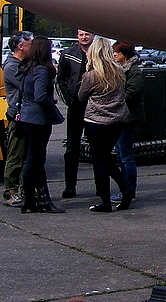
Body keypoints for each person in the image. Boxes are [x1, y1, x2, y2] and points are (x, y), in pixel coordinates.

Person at [78, 37, 131, 212]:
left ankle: (105, 200)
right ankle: (126, 189)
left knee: (99, 161)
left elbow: (81, 96)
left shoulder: (91, 75)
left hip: (96, 122)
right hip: (117, 121)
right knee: (107, 158)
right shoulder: (119, 71)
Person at [15, 35, 66, 214]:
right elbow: (41, 97)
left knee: (35, 159)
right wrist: (55, 112)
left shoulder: (27, 68)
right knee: (34, 160)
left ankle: (38, 198)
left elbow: (23, 94)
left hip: (27, 117)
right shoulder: (42, 70)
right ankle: (30, 199)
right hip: (38, 120)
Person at [57, 29, 94, 197]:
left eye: (87, 34)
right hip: (75, 107)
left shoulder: (99, 53)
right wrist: (69, 99)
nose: (84, 37)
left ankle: (102, 187)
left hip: (95, 107)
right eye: (81, 34)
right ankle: (70, 186)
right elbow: (61, 80)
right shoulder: (68, 54)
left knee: (98, 149)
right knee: (72, 147)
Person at [2, 31, 33, 207]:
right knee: (16, 155)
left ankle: (24, 189)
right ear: (20, 46)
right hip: (18, 116)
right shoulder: (12, 66)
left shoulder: (24, 64)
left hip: (28, 115)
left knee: (28, 155)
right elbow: (27, 86)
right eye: (30, 44)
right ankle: (10, 191)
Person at [111, 42, 144, 204]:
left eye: (117, 52)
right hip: (119, 117)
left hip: (128, 118)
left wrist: (113, 99)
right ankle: (125, 189)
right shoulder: (119, 69)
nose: (114, 55)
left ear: (126, 54)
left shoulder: (134, 71)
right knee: (121, 155)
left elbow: (133, 93)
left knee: (126, 157)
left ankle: (128, 190)